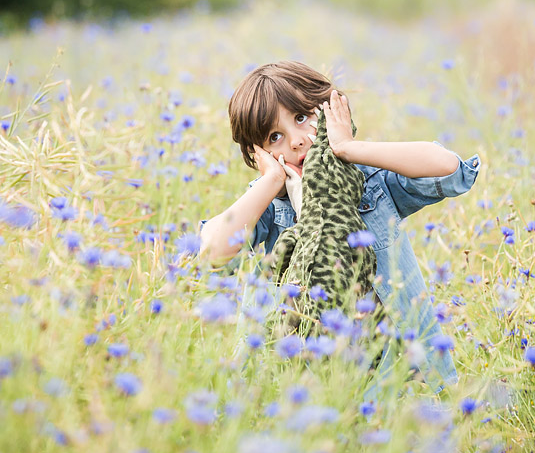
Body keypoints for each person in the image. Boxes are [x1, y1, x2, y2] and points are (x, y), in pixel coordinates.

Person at [199, 61, 481, 398]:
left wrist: (348, 148)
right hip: (300, 379)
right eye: (275, 137)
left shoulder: (367, 182)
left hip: (391, 370)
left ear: (330, 110)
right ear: (257, 152)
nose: (298, 141)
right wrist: (270, 180)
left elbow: (449, 168)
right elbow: (211, 252)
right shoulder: (269, 204)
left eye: (302, 118)